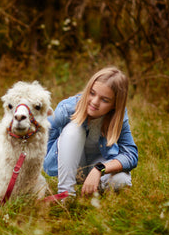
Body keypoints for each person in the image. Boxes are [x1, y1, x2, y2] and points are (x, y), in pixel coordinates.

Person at [43, 67, 138, 197]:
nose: (94, 102)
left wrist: (99, 169)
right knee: (73, 129)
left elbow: (131, 154)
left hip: (97, 164)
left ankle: (90, 191)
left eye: (104, 100)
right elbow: (43, 134)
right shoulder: (67, 109)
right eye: (92, 93)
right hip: (72, 166)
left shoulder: (118, 117)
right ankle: (66, 194)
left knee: (122, 180)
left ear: (115, 105)